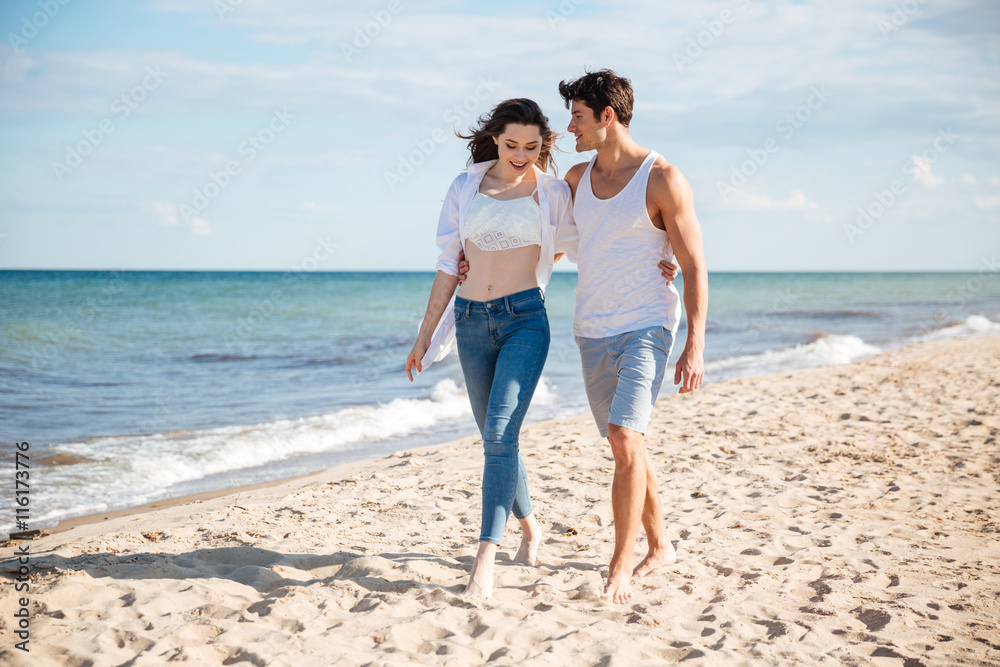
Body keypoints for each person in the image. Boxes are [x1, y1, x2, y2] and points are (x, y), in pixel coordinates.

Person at [405, 98, 575, 598]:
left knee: (500, 432)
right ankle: (530, 528)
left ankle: (484, 558)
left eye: (532, 146)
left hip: (525, 319)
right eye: (511, 145)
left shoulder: (553, 192)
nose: (521, 155)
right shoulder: (465, 187)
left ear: (544, 144)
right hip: (471, 320)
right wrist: (423, 335)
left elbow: (586, 240)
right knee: (497, 438)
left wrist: (663, 262)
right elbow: (446, 263)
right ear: (495, 140)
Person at [558, 69, 709, 605]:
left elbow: (692, 264)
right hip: (591, 329)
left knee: (624, 439)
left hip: (647, 325)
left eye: (576, 115)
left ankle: (618, 566)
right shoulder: (575, 179)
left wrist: (694, 342)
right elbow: (546, 243)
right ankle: (661, 546)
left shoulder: (663, 178)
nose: (568, 126)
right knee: (629, 447)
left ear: (607, 116)